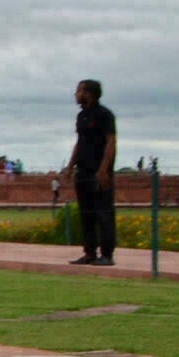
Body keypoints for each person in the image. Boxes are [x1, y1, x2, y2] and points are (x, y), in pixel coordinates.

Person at [67, 80, 117, 265]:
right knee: (86, 214)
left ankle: (107, 254)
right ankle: (89, 253)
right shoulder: (81, 116)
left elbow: (111, 142)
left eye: (79, 90)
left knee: (103, 213)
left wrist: (104, 169)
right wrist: (70, 166)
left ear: (89, 93)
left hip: (99, 173)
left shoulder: (105, 115)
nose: (76, 94)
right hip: (83, 171)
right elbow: (79, 142)